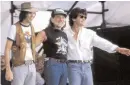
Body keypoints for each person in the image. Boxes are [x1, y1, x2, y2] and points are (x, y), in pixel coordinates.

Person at [63, 7, 130, 85]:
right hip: (72, 66)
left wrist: (118, 48)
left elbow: (102, 43)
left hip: (87, 66)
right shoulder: (64, 33)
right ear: (73, 18)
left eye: (85, 17)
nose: (84, 18)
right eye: (81, 16)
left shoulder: (89, 33)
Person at [4, 2, 38, 85]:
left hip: (32, 66)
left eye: (34, 13)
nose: (33, 15)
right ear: (24, 13)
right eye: (30, 13)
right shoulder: (14, 27)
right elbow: (7, 49)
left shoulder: (32, 27)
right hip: (19, 66)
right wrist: (8, 70)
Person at [36, 8, 68, 85]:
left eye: (63, 17)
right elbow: (31, 47)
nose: (61, 19)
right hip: (52, 65)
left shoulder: (64, 34)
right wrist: (39, 58)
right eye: (58, 17)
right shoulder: (45, 32)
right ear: (52, 19)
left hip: (64, 65)